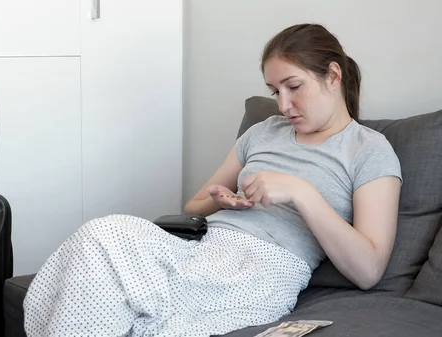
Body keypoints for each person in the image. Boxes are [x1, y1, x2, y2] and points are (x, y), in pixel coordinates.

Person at [23, 23, 403, 337]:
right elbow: (194, 205)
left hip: (263, 267)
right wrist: (221, 199)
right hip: (201, 246)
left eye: (294, 86)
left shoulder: (368, 149)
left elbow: (368, 270)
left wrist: (301, 192)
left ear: (333, 75)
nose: (283, 105)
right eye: (275, 92)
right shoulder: (264, 131)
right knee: (100, 235)